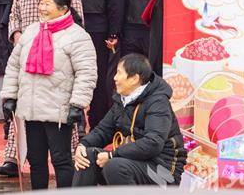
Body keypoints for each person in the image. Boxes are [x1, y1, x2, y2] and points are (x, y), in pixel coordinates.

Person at [0, 0, 86, 178]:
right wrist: (17, 35)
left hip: (57, 63)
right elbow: (13, 16)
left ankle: (70, 162)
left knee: (60, 135)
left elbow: (77, 20)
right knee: (24, 112)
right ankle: (13, 158)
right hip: (28, 58)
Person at [1, 0, 97, 191]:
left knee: (61, 160)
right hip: (31, 109)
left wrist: (78, 104)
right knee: (36, 161)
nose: (42, 8)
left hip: (58, 111)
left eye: (47, 4)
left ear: (63, 8)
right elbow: (14, 65)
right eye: (41, 3)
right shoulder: (31, 31)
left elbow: (86, 73)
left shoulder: (77, 36)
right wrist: (9, 96)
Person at [74, 53, 186, 186]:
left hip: (163, 171)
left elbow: (153, 143)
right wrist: (83, 144)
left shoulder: (158, 102)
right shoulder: (122, 100)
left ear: (134, 79)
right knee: (87, 155)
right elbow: (103, 130)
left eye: (119, 73)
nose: (115, 78)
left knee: (114, 166)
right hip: (134, 161)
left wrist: (112, 155)